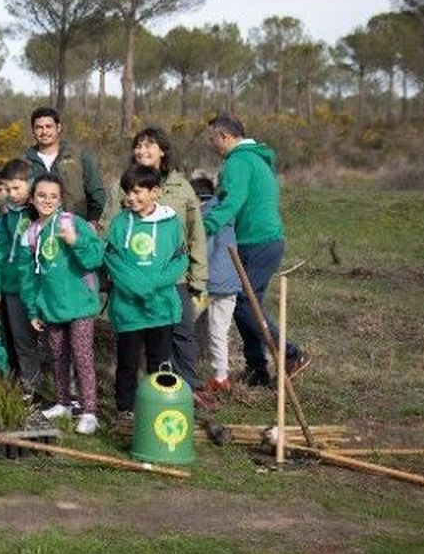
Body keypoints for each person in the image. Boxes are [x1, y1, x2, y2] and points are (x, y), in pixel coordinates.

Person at [202, 113, 306, 386]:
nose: (211, 144)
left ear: (225, 137)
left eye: (213, 138)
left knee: (245, 303)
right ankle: (257, 369)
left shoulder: (238, 162)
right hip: (261, 241)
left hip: (257, 242)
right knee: (246, 304)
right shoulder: (254, 159)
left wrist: (201, 227)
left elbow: (230, 203)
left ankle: (291, 353)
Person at [116, 127, 207, 388]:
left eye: (149, 145)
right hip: (134, 280)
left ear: (163, 151)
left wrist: (199, 278)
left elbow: (195, 234)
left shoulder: (181, 187)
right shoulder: (123, 186)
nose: (142, 151)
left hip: (173, 278)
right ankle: (145, 397)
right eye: (138, 145)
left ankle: (188, 390)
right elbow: (110, 229)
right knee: (139, 341)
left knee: (182, 333)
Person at [104, 164, 189, 430]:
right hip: (129, 309)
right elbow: (113, 261)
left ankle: (157, 407)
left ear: (156, 192)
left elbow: (179, 260)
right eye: (128, 192)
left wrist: (152, 286)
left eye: (138, 192)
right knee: (127, 362)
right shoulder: (119, 223)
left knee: (160, 361)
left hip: (160, 308)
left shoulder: (171, 223)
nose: (131, 197)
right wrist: (140, 288)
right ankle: (125, 410)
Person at [23, 173, 105, 435]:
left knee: (82, 356)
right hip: (51, 305)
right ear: (32, 199)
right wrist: (34, 309)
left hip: (80, 304)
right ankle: (63, 402)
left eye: (53, 196)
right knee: (58, 356)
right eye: (41, 195)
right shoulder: (33, 232)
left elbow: (94, 258)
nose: (47, 200)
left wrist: (75, 241)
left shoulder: (74, 222)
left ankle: (90, 411)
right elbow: (31, 277)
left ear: (60, 199)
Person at [0, 159, 43, 395]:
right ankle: (12, 385)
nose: (11, 195)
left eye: (16, 188)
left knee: (25, 342)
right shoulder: (6, 217)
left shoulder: (37, 214)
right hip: (8, 287)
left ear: (30, 185)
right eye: (7, 189)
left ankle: (30, 388)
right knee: (8, 339)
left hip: (30, 287)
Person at [192, 174, 241, 394]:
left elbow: (205, 251)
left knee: (181, 325)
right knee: (219, 331)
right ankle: (221, 377)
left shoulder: (204, 217)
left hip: (208, 284)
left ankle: (180, 371)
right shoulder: (226, 213)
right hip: (231, 281)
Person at [22, 107, 107, 226]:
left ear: (58, 128)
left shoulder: (79, 156)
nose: (44, 132)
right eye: (39, 127)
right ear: (32, 131)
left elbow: (96, 191)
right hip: (38, 231)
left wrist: (92, 222)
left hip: (77, 228)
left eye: (48, 126)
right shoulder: (24, 163)